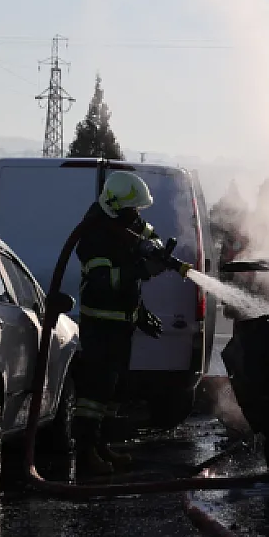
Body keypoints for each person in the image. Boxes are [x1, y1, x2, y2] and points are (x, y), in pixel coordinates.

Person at [73, 171, 184, 476]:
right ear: (115, 206)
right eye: (132, 208)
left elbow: (149, 235)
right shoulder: (93, 235)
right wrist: (143, 270)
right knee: (95, 393)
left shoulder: (125, 221)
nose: (136, 213)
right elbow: (103, 281)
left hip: (123, 322)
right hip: (100, 324)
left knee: (116, 390)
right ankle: (85, 453)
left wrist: (154, 249)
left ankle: (103, 445)